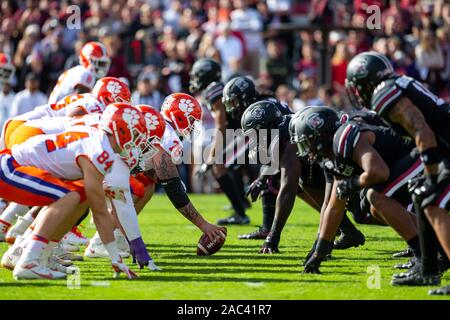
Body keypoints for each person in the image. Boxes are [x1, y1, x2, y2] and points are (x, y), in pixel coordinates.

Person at [0, 103, 148, 279]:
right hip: (9, 167)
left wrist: (116, 257)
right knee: (69, 197)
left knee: (81, 195)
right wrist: (116, 258)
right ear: (121, 130)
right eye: (136, 135)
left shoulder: (98, 141)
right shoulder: (100, 150)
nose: (136, 142)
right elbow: (100, 212)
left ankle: (43, 256)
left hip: (15, 166)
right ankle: (29, 259)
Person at [346, 51, 450, 294]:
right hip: (443, 148)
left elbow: (422, 131)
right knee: (422, 197)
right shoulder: (397, 84)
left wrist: (432, 174)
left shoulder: (385, 94)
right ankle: (429, 270)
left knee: (432, 200)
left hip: (445, 149)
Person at [241, 101, 365, 253]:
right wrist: (261, 179)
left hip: (351, 151)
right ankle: (347, 231)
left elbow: (287, 190)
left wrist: (272, 238)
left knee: (363, 211)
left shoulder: (290, 139)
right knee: (306, 183)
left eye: (256, 134)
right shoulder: (282, 131)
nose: (254, 141)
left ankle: (335, 237)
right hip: (333, 159)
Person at [190, 60, 250, 226]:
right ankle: (241, 204)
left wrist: (211, 156)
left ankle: (240, 213)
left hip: (246, 132)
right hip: (243, 131)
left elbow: (220, 126)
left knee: (218, 165)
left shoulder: (214, 91)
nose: (194, 79)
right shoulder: (218, 87)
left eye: (197, 75)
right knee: (230, 166)